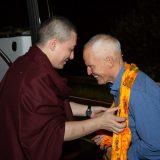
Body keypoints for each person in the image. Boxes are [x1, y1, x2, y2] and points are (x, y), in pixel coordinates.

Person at [0, 17, 126, 160]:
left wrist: (89, 110)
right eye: (70, 49)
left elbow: (53, 106)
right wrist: (100, 122)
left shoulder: (24, 63)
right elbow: (55, 132)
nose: (72, 56)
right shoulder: (34, 78)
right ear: (53, 44)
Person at [83, 34, 160, 160]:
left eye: (91, 66)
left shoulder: (136, 92)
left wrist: (119, 154)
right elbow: (132, 125)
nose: (88, 72)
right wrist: (111, 137)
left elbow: (155, 145)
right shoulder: (123, 83)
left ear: (109, 61)